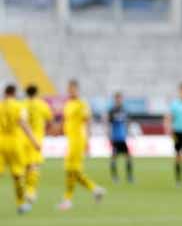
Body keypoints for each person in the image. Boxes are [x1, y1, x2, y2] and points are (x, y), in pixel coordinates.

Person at [58, 80, 105, 211]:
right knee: (73, 170)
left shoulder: (81, 104)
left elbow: (87, 122)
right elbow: (66, 121)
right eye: (69, 89)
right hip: (70, 140)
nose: (70, 91)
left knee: (70, 169)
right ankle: (95, 189)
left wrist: (88, 142)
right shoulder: (68, 104)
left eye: (72, 89)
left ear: (77, 90)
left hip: (78, 140)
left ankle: (68, 200)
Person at [0, 85, 40, 214]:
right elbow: (23, 124)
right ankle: (21, 204)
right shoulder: (18, 106)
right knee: (17, 175)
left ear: (5, 93)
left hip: (1, 142)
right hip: (15, 143)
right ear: (14, 93)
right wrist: (34, 141)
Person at [22, 84, 53, 203]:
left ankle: (26, 190)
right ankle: (31, 192)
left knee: (26, 166)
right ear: (36, 92)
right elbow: (50, 120)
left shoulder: (22, 104)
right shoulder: (42, 105)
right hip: (36, 138)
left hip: (23, 138)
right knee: (35, 166)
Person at [108, 92, 133, 183]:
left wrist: (128, 131)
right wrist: (109, 136)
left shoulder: (124, 110)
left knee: (128, 157)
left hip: (123, 138)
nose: (119, 100)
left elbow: (128, 122)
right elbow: (108, 123)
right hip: (115, 138)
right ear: (115, 99)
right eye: (117, 98)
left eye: (120, 98)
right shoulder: (112, 111)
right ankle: (114, 177)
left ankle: (129, 176)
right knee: (114, 158)